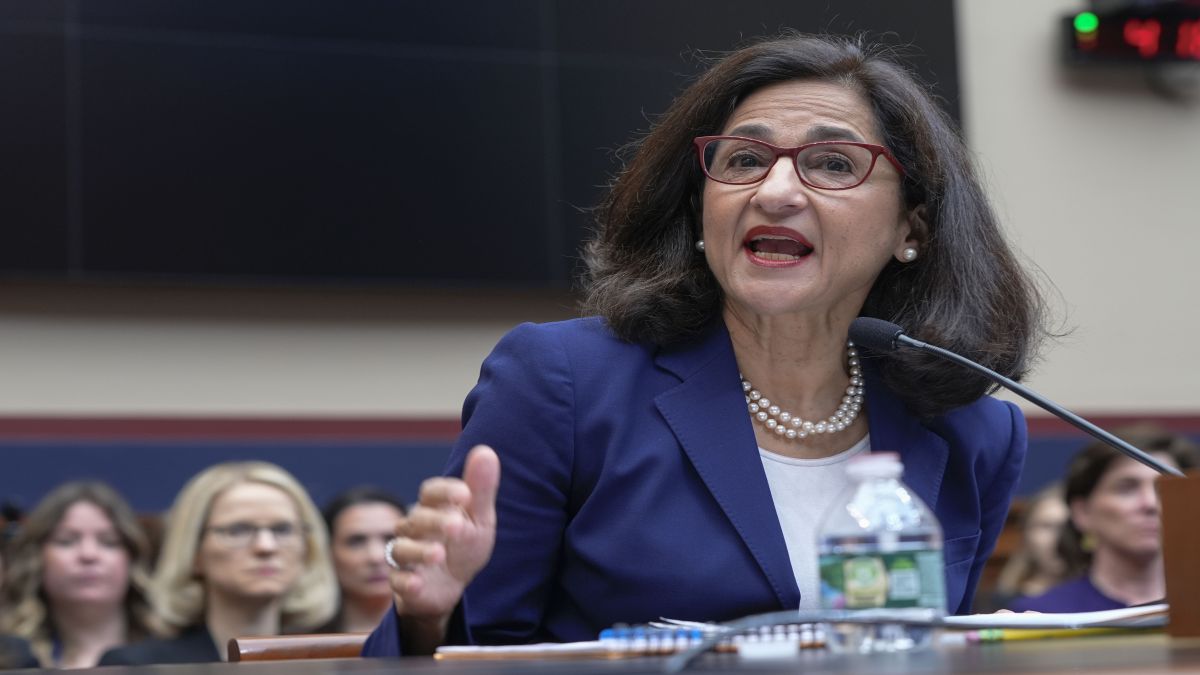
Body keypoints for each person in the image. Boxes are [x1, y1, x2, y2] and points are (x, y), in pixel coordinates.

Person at [365, 32, 1045, 655]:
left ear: (912, 229)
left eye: (833, 163)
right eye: (745, 159)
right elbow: (473, 646)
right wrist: (428, 616)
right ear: (700, 209)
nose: (775, 191)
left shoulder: (970, 432)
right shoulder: (563, 383)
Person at [99, 461, 338, 664]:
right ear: (194, 552)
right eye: (238, 530)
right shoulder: (137, 667)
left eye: (282, 529)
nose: (266, 546)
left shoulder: (333, 664)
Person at [1010, 425, 1197, 612]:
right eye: (1126, 488)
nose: (1150, 504)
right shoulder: (1041, 615)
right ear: (1082, 512)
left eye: (1163, 488)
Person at [0, 481, 164, 668]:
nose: (88, 554)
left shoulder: (175, 653)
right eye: (66, 541)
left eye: (108, 542)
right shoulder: (11, 657)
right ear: (36, 558)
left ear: (133, 558)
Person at [320, 486, 407, 633]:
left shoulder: (445, 633)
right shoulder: (296, 637)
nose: (376, 557)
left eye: (390, 539)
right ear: (328, 551)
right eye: (356, 542)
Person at [980, 483, 1069, 612]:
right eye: (1047, 526)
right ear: (1025, 534)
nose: (1059, 538)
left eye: (1068, 527)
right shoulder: (993, 604)